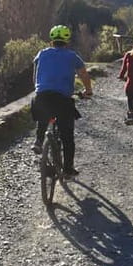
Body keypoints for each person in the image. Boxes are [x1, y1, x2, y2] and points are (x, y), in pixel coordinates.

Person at [30, 24, 93, 178]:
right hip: (63, 100)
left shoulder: (41, 54)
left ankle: (38, 141)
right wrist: (88, 91)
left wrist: (38, 88)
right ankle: (68, 169)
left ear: (51, 40)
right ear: (67, 41)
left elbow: (35, 73)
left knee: (43, 115)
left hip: (41, 96)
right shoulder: (72, 56)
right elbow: (84, 75)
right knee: (67, 138)